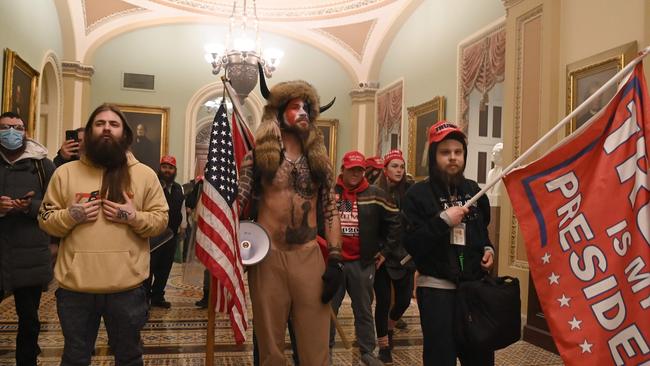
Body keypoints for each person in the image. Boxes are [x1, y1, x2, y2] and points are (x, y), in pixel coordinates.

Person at [38, 103, 169, 365]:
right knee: (75, 357)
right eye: (99, 124)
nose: (106, 128)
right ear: (87, 133)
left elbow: (161, 221)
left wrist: (133, 217)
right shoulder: (65, 173)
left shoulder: (144, 175)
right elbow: (45, 219)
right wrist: (70, 216)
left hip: (127, 290)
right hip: (76, 289)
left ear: (125, 135)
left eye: (113, 124)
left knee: (129, 357)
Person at [237, 76, 343, 365]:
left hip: (308, 257)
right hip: (268, 258)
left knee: (316, 347)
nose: (303, 112)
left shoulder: (320, 161)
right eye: (296, 107)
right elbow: (237, 202)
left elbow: (331, 208)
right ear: (279, 113)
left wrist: (335, 259)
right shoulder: (258, 158)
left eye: (307, 107)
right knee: (270, 349)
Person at [401, 120, 495, 366]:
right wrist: (442, 221)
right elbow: (412, 243)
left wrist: (488, 249)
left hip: (474, 289)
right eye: (445, 152)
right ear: (433, 156)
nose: (453, 158)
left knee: (480, 355)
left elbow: (481, 230)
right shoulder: (416, 195)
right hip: (436, 291)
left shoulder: (473, 190)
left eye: (458, 152)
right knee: (440, 358)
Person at [329, 150, 400, 366]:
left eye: (359, 169)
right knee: (328, 311)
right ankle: (325, 352)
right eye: (351, 169)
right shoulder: (332, 193)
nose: (355, 173)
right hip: (335, 263)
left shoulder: (376, 195)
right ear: (343, 169)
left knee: (363, 310)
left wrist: (385, 252)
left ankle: (368, 352)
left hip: (363, 263)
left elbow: (396, 223)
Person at [0, 111, 55, 366]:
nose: (12, 132)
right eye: (6, 127)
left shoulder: (42, 164)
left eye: (18, 127)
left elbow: (56, 204)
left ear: (26, 132)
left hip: (30, 253)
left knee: (29, 319)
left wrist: (28, 206)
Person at [372, 149, 416, 363]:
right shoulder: (375, 191)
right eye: (394, 166)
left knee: (404, 301)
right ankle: (383, 345)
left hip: (405, 255)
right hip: (381, 255)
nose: (399, 170)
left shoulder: (410, 191)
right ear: (385, 169)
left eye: (401, 166)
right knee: (383, 301)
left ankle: (390, 327)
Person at [146, 155, 186, 308]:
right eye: (164, 167)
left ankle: (157, 297)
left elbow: (182, 208)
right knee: (149, 268)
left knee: (164, 269)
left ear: (174, 170)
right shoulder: (153, 185)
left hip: (171, 237)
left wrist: (183, 227)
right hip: (154, 236)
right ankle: (145, 299)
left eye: (170, 168)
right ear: (160, 168)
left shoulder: (178, 188)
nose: (167, 170)